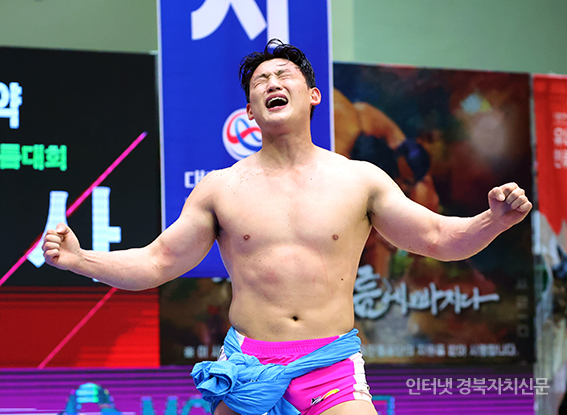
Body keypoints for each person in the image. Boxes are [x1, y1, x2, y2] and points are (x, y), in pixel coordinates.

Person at [42, 39, 532, 415]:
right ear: (250, 110)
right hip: (247, 367)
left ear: (313, 95)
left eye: (284, 74)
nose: (272, 83)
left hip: (330, 366)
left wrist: (493, 220)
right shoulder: (220, 188)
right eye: (260, 81)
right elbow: (157, 261)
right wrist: (80, 259)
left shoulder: (360, 179)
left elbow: (438, 238)